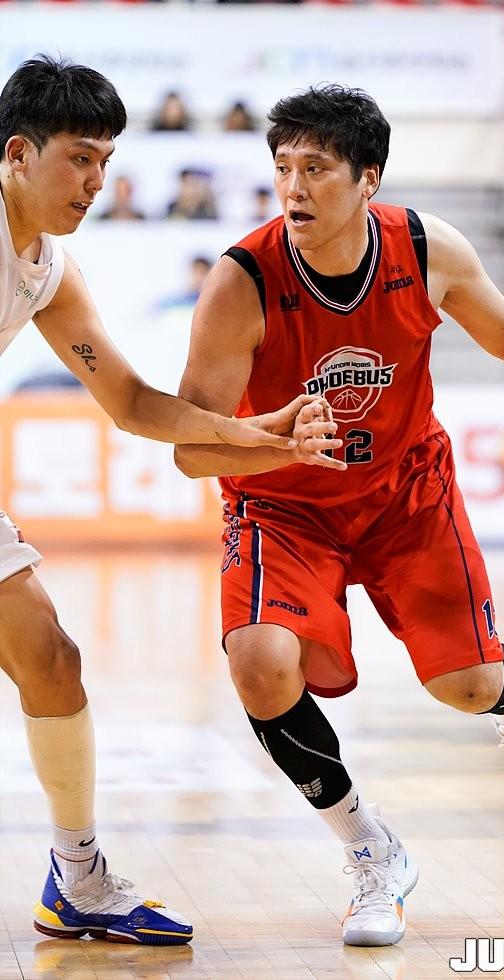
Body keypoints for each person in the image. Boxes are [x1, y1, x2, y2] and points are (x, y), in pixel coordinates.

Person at [174, 85, 504, 948]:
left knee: (467, 686)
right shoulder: (242, 281)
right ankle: (370, 850)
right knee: (260, 665)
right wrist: (279, 446)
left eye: (316, 169)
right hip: (282, 505)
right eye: (284, 168)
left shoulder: (425, 249)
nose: (294, 187)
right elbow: (193, 450)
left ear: (368, 179)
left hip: (406, 494)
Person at [0, 55, 332, 947]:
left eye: (105, 161)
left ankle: (77, 879)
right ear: (18, 155)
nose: (95, 181)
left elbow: (134, 403)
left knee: (52, 660)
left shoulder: (46, 272)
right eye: (79, 158)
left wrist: (254, 433)